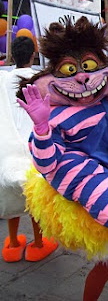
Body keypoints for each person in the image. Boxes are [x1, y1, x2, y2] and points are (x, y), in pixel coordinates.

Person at [0, 36, 58, 262]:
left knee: (14, 195)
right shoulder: (40, 80)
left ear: (12, 56)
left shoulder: (4, 81)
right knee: (34, 197)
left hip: (8, 150)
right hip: (36, 147)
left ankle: (13, 243)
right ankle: (38, 243)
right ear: (34, 55)